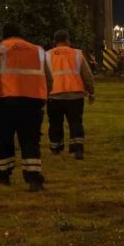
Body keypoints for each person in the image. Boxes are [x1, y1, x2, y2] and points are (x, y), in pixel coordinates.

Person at [0, 24, 52, 191]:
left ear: (4, 36)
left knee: (3, 138)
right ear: (21, 35)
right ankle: (34, 178)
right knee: (31, 139)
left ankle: (3, 174)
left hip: (4, 102)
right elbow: (49, 78)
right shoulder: (38, 50)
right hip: (32, 102)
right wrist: (45, 96)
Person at [47, 30, 95, 160]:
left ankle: (56, 148)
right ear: (67, 40)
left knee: (55, 123)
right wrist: (91, 91)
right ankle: (77, 148)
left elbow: (43, 76)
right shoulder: (77, 54)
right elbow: (87, 75)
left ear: (55, 42)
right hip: (75, 96)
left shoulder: (47, 55)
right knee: (76, 122)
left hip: (54, 96)